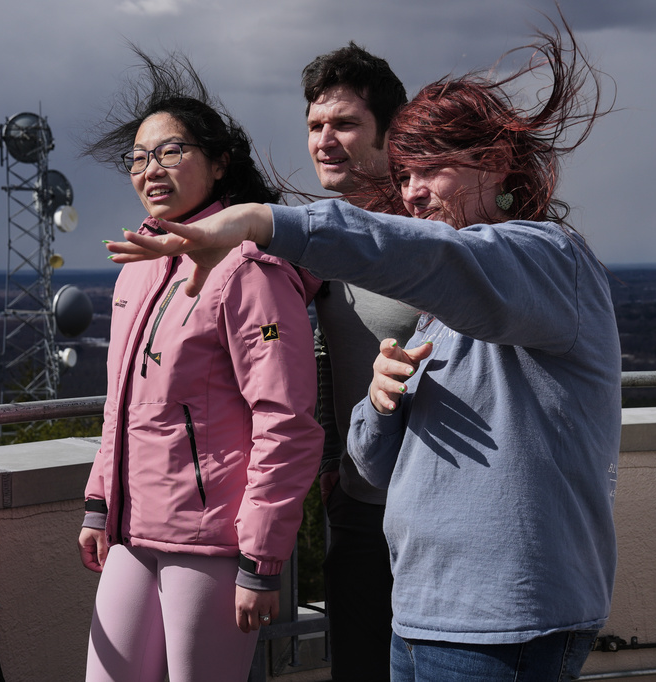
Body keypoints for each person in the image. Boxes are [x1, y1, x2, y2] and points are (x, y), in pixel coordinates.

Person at [109, 17, 620, 682]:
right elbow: (376, 461)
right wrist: (378, 408)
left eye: (432, 169)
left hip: (502, 617)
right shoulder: (434, 313)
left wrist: (262, 221)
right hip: (421, 600)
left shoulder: (545, 258)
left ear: (497, 164)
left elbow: (436, 259)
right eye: (407, 175)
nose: (414, 192)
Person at [78, 48, 323, 682]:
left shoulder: (249, 271)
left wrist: (261, 560)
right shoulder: (138, 267)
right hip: (134, 529)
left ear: (219, 163)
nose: (150, 170)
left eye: (170, 151)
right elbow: (120, 406)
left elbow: (286, 421)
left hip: (213, 542)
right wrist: (101, 502)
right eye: (138, 158)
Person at [301, 42, 420, 681]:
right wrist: (330, 465)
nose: (325, 140)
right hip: (358, 506)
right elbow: (321, 356)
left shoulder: (430, 234)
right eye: (316, 125)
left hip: (438, 511)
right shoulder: (322, 239)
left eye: (344, 123)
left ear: (388, 133)